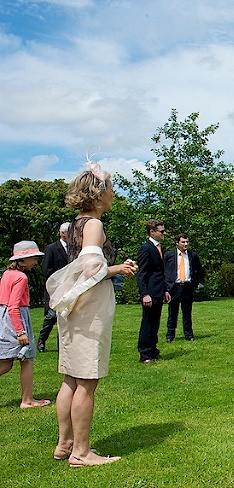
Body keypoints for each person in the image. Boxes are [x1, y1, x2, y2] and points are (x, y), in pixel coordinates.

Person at [46, 161, 137, 466]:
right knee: (87, 379)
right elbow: (91, 270)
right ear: (99, 194)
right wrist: (118, 268)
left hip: (73, 308)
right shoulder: (95, 225)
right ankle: (81, 453)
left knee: (70, 378)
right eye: (111, 188)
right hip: (89, 307)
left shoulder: (76, 224)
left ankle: (64, 444)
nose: (114, 193)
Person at [0, 241, 50, 408]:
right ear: (22, 260)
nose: (35, 262)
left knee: (6, 362)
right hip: (16, 319)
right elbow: (14, 306)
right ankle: (27, 400)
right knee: (26, 359)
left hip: (5, 318)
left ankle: (27, 399)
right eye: (33, 258)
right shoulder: (21, 277)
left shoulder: (7, 273)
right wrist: (20, 331)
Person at [137, 219, 171, 364]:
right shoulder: (146, 248)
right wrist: (145, 294)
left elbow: (159, 272)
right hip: (150, 292)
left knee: (155, 322)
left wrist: (165, 290)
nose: (164, 233)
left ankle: (153, 349)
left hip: (158, 290)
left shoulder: (158, 247)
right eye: (161, 231)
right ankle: (144, 354)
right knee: (148, 323)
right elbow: (142, 273)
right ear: (152, 232)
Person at [164, 233, 204, 342]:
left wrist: (196, 283)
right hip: (174, 287)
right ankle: (170, 335)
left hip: (187, 286)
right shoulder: (169, 255)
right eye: (183, 242)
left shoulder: (192, 255)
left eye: (187, 242)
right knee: (172, 313)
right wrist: (166, 287)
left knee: (187, 312)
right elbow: (164, 271)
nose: (185, 244)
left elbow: (199, 270)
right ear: (177, 243)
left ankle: (189, 335)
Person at [37, 222, 70, 352]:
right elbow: (46, 270)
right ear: (63, 234)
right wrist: (59, 281)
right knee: (51, 317)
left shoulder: (74, 249)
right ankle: (42, 339)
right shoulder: (51, 249)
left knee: (65, 317)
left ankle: (62, 345)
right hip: (55, 288)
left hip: (69, 289)